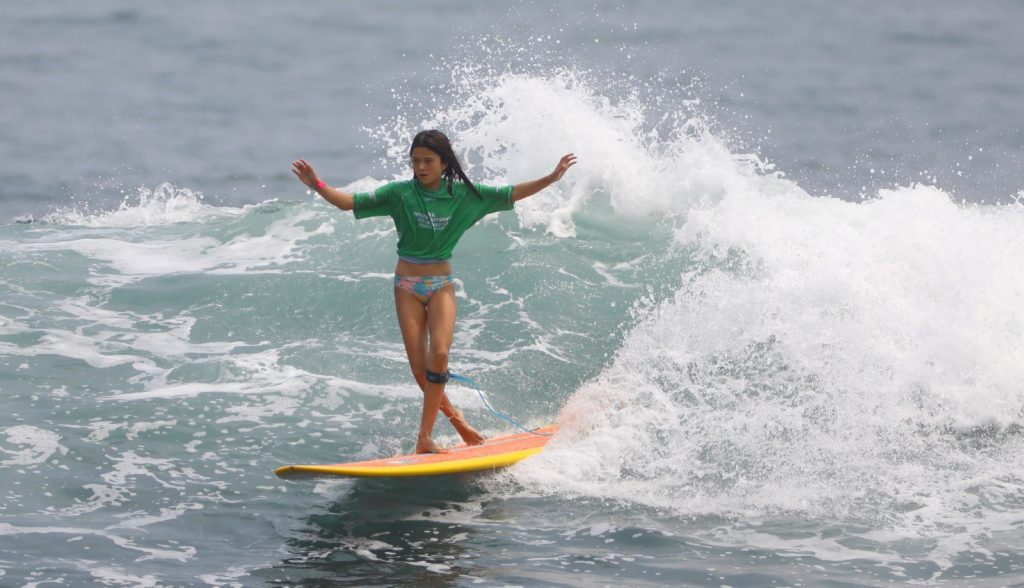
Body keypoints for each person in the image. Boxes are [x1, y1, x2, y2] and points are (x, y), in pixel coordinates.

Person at [292, 130, 576, 453]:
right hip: (407, 287)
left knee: (438, 356)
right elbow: (349, 203)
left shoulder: (465, 195)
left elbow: (510, 193)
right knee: (420, 370)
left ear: (444, 163)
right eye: (415, 161)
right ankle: (458, 424)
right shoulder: (399, 194)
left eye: (428, 161)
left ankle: (424, 439)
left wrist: (551, 178)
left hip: (441, 285)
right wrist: (317, 184)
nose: (421, 167)